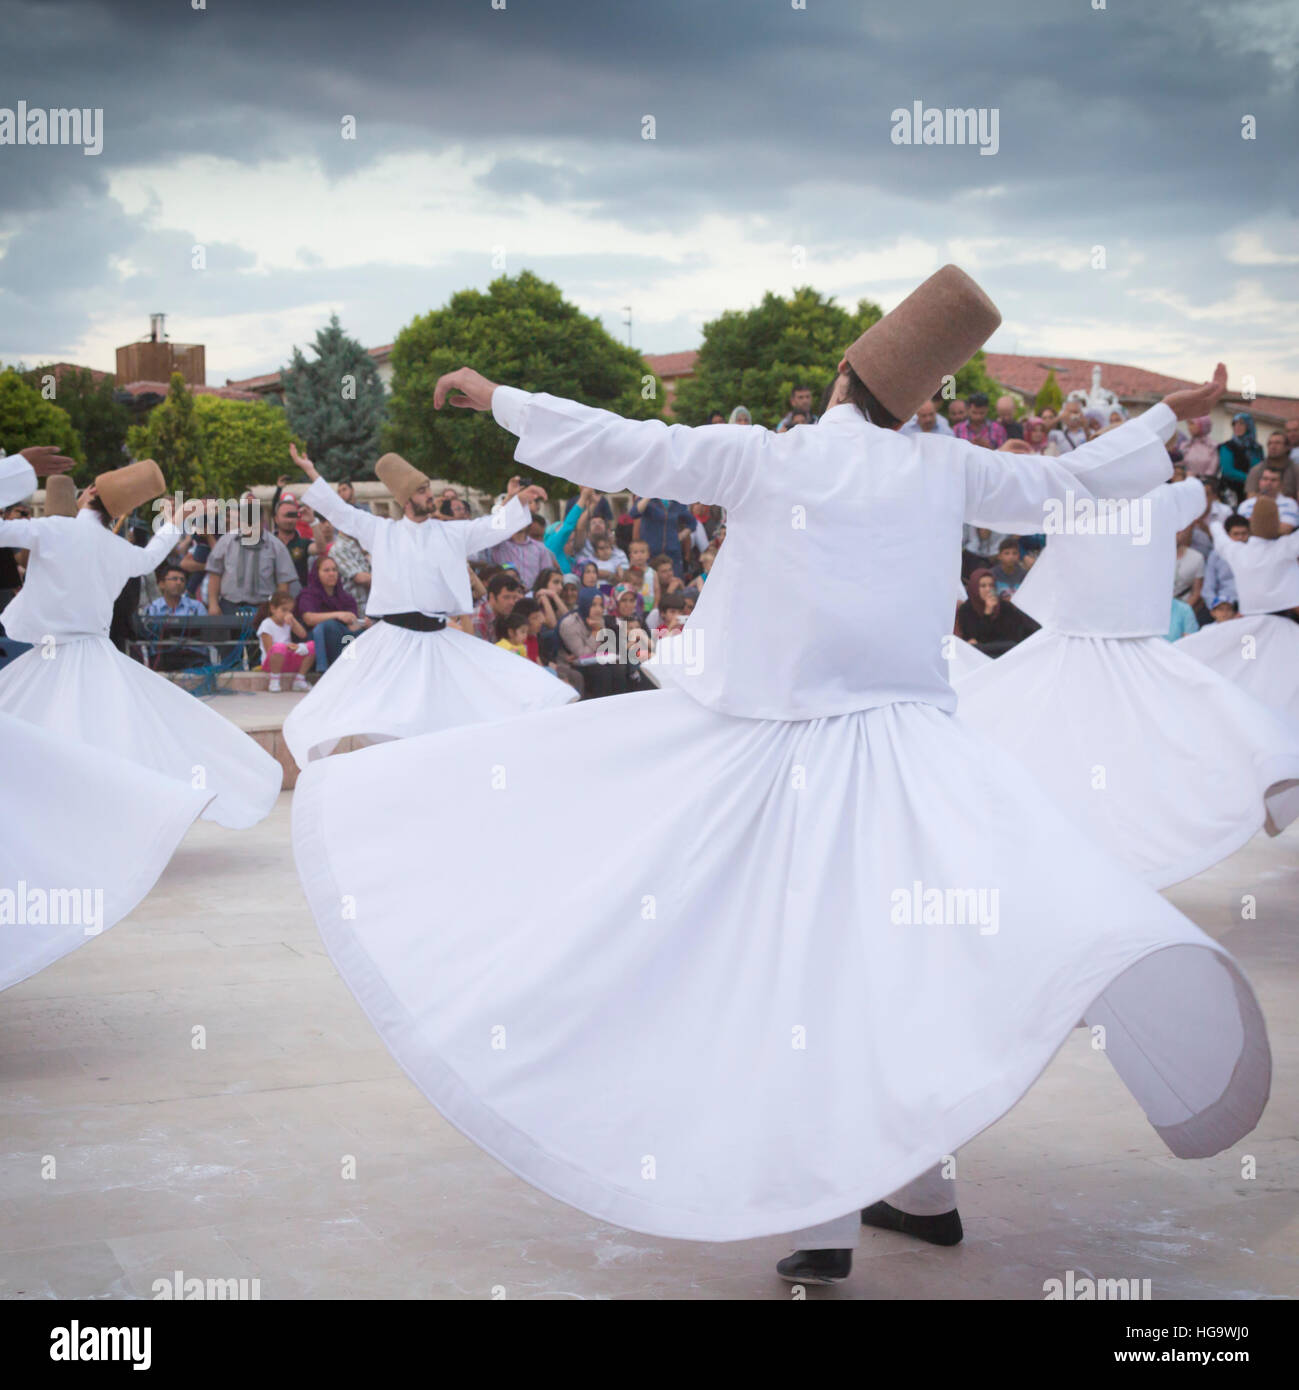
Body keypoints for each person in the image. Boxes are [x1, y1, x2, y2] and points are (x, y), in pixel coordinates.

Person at [289, 267, 1269, 1288]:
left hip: (794, 750)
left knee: (808, 974)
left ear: (842, 374)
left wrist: (499, 398)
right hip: (916, 751)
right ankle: (922, 1190)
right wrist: (1169, 413)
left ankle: (834, 1218)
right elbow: (1074, 486)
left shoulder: (770, 457)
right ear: (920, 399)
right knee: (899, 966)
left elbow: (629, 444)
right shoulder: (944, 469)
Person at [957, 476, 1299, 887]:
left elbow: (1000, 496)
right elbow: (1194, 498)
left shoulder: (1069, 489)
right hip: (1127, 641)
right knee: (1200, 709)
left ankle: (1078, 840)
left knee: (1068, 733)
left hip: (1087, 640)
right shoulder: (1160, 498)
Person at [0, 458, 281, 827]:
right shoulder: (117, 549)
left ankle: (58, 818)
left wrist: (17, 469)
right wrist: (178, 519)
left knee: (42, 734)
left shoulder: (54, 530)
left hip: (52, 657)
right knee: (103, 737)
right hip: (97, 656)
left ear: (90, 494)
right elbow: (149, 558)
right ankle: (100, 817)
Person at [281, 446, 574, 765]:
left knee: (482, 695)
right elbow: (342, 514)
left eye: (428, 489)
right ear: (407, 500)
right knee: (374, 711)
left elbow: (491, 526)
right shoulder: (382, 531)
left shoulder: (451, 533)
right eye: (421, 491)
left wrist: (518, 502)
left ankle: (439, 770)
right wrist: (311, 472)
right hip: (393, 641)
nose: (429, 495)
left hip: (438, 638)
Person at [1177, 497, 1299, 720]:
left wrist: (1211, 519)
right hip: (1284, 629)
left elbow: (1219, 536)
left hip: (1249, 630)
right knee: (1284, 680)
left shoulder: (1238, 551)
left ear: (1251, 524)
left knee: (1245, 670)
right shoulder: (1286, 547)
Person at [205, 504, 300, 616]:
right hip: (229, 605)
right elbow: (215, 574)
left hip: (264, 607)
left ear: (262, 522)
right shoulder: (226, 541)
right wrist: (213, 604)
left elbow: (283, 583)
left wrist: (279, 610)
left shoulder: (276, 546)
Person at [296, 555, 365, 672]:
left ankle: (356, 669)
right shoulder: (308, 595)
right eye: (326, 570)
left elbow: (352, 627)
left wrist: (363, 623)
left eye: (334, 570)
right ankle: (322, 669)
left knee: (363, 633)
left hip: (341, 640)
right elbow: (309, 618)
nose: (332, 574)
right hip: (315, 641)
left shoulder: (346, 598)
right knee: (325, 626)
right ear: (317, 573)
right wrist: (337, 615)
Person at [954, 568, 1038, 654]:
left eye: (991, 585)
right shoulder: (967, 609)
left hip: (1007, 650)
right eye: (983, 586)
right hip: (981, 653)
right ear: (975, 587)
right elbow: (976, 639)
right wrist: (987, 612)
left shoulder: (1004, 606)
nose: (988, 589)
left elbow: (1014, 634)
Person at [257, 586, 315, 693]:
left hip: (287, 659)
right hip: (272, 662)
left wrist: (293, 621)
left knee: (312, 646)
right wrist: (287, 647)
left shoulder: (288, 623)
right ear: (273, 608)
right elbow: (269, 649)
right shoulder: (266, 625)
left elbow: (303, 635)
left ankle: (299, 680)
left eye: (290, 611)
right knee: (279, 647)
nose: (287, 614)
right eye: (284, 610)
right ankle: (274, 681)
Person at [1239, 462, 1299, 532]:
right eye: (1265, 479)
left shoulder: (1289, 504)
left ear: (1281, 484)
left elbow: (1285, 529)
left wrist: (1254, 525)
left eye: (1273, 480)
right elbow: (1241, 530)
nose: (1268, 483)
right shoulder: (1246, 504)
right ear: (1259, 482)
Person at [1217, 412, 1262, 498]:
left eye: (1241, 423)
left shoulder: (1257, 448)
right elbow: (1228, 471)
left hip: (1251, 491)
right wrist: (1251, 479)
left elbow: (1259, 468)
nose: (1237, 426)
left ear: (1249, 426)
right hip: (1231, 491)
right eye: (1234, 423)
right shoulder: (1227, 446)